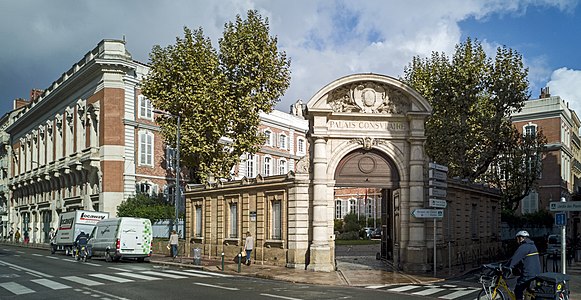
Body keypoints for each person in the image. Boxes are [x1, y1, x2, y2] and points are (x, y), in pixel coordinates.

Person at [507, 230, 541, 300]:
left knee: (518, 289)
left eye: (517, 238)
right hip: (536, 273)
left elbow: (514, 259)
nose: (517, 241)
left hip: (528, 275)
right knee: (528, 290)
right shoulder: (532, 245)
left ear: (521, 238)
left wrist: (506, 267)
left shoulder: (524, 247)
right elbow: (524, 260)